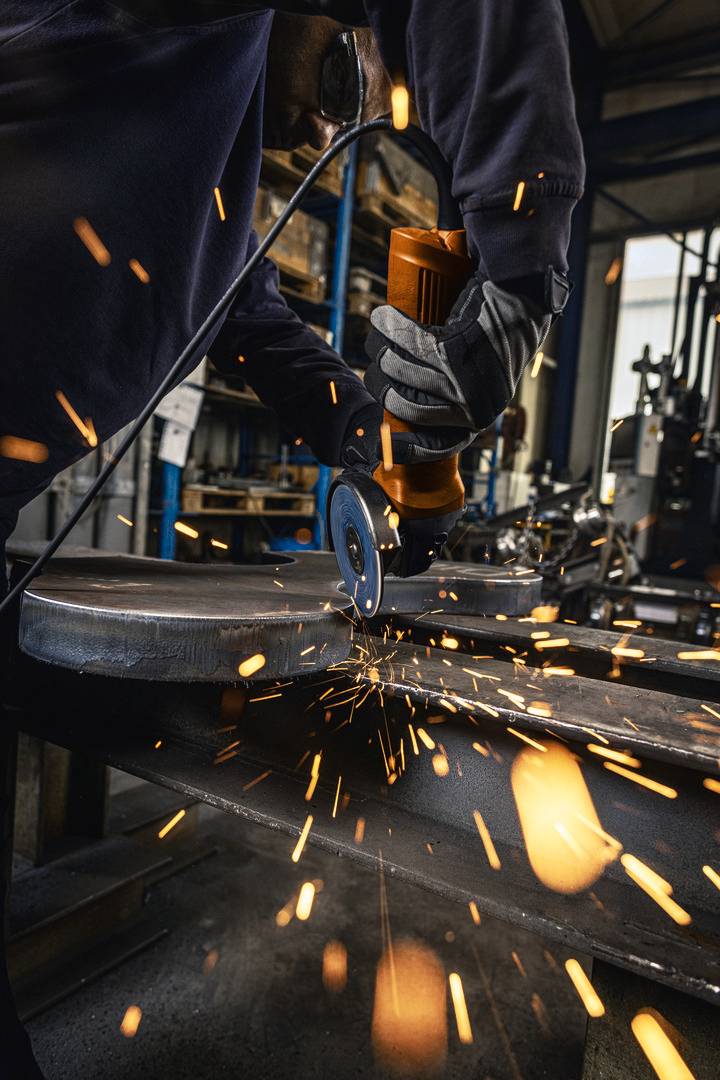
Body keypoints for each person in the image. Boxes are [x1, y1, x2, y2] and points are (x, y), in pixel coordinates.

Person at [0, 2, 584, 1074]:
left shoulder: (215, 187)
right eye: (350, 83)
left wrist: (390, 441)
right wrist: (516, 255)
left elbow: (258, 324)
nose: (327, 134)